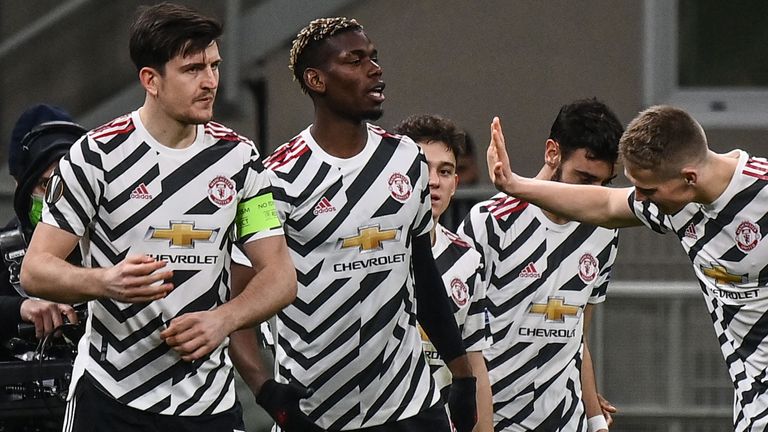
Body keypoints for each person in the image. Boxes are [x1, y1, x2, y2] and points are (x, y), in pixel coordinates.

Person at [19, 3, 297, 431]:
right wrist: (104, 281)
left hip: (208, 404)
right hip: (111, 397)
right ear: (150, 79)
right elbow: (35, 270)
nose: (210, 83)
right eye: (192, 69)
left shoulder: (240, 160)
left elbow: (279, 275)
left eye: (215, 66)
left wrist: (224, 319)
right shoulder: (96, 156)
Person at [253, 16, 478, 432]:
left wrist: (461, 373)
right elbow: (238, 292)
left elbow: (422, 269)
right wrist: (267, 393)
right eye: (355, 61)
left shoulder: (406, 158)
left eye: (373, 57)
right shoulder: (273, 178)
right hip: (316, 411)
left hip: (409, 404)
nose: (374, 69)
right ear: (316, 80)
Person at [487, 104, 768, 431]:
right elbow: (606, 205)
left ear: (688, 178)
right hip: (752, 401)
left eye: (647, 190)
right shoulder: (679, 202)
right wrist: (515, 185)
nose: (640, 200)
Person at [464, 99, 622, 431]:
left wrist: (595, 420)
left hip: (565, 420)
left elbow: (578, 335)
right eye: (584, 178)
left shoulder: (604, 233)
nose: (594, 195)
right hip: (495, 418)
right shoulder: (491, 222)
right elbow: (459, 335)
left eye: (602, 185)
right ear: (553, 153)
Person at [394, 114, 493, 431]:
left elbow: (474, 362)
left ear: (455, 184)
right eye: (423, 169)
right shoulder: (373, 251)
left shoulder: (467, 258)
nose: (434, 180)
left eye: (445, 171)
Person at [0, 104, 83, 342]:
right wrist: (19, 308)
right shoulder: (5, 251)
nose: (60, 199)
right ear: (21, 187)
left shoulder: (116, 245)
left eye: (69, 183)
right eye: (47, 185)